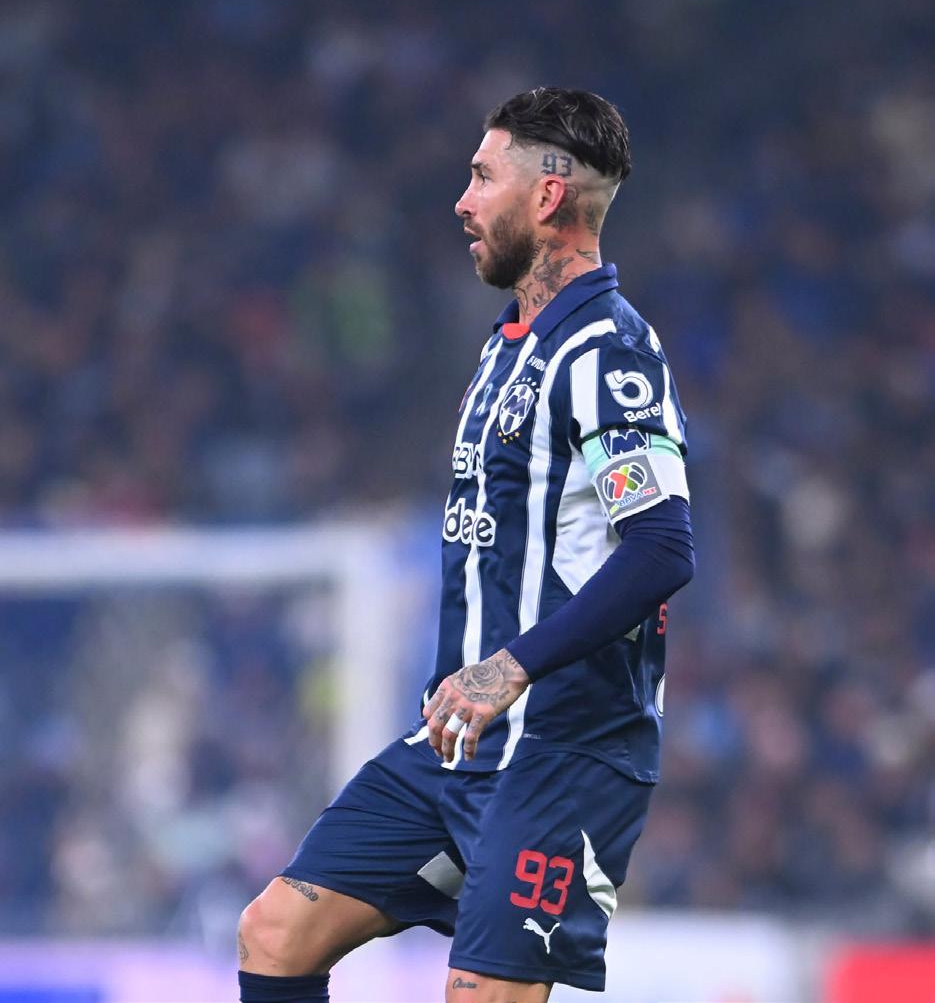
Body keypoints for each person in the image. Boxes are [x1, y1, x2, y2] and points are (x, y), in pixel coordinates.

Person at [237, 86, 695, 1003]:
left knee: (480, 994)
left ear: (549, 195)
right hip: (458, 744)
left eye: (483, 177)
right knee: (276, 933)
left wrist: (509, 667)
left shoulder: (608, 354)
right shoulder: (506, 348)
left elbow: (660, 549)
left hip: (561, 750)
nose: (462, 200)